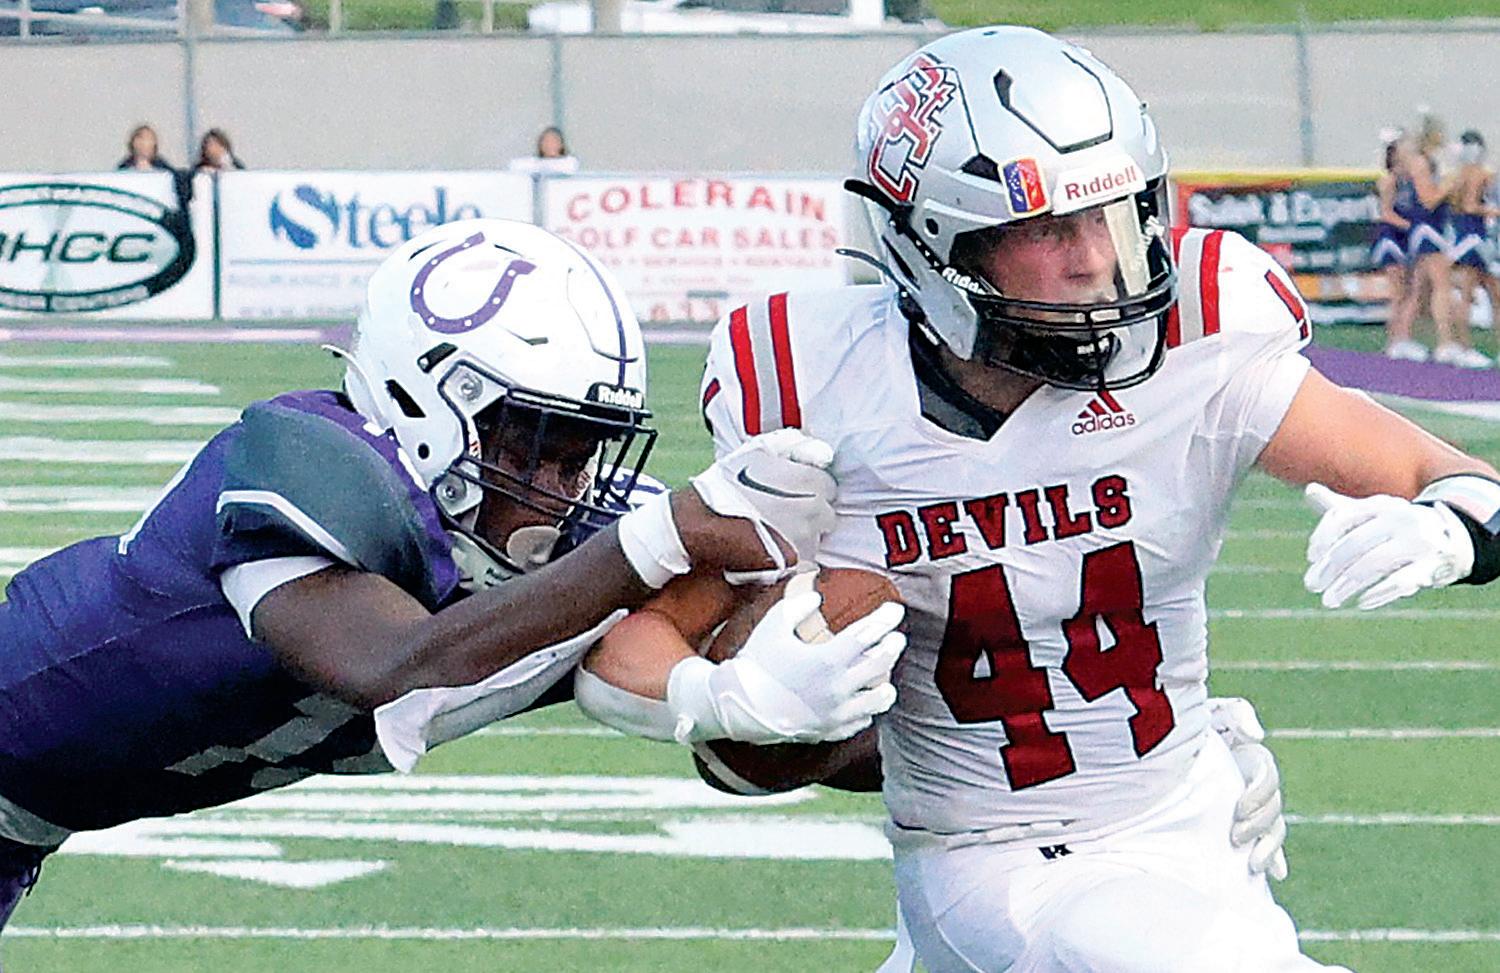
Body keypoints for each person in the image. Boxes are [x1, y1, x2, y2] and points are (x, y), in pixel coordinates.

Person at [575, 27, 1500, 972]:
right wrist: (725, 697)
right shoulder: (821, 392)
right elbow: (624, 650)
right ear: (933, 245)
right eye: (1048, 227)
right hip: (989, 863)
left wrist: (1454, 533)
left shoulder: (1200, 336)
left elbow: (1460, 481)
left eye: (1113, 212)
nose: (1095, 257)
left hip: (1192, 827)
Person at [0, 219, 905, 937]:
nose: (561, 488)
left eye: (580, 454)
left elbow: (641, 660)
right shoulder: (301, 464)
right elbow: (393, 665)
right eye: (533, 445)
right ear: (427, 403)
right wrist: (661, 535)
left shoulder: (571, 546)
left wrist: (763, 703)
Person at [1401, 116, 1490, 367]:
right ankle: (1444, 343)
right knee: (1442, 285)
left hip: (1436, 227)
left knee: (1419, 288)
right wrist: (1449, 185)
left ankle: (1403, 338)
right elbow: (1428, 200)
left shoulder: (1431, 161)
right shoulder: (1420, 162)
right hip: (1427, 228)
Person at [1374, 131, 1423, 360]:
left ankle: (1403, 337)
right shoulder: (1389, 180)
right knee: (1399, 292)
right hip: (1390, 237)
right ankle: (1396, 340)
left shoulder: (1407, 180)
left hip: (1402, 237)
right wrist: (1412, 226)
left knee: (1408, 290)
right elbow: (1385, 213)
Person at [1449, 129, 1500, 345]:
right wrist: (1494, 211)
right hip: (1473, 236)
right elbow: (1469, 206)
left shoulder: (1459, 174)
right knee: (1472, 291)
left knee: (1492, 292)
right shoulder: (1477, 174)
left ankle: (1465, 344)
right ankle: (1463, 345)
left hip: (1467, 233)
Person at [508, 126, 581, 176]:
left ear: (561, 144)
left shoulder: (569, 162)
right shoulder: (535, 163)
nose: (549, 144)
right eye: (546, 141)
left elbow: (563, 169)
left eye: (553, 141)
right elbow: (514, 165)